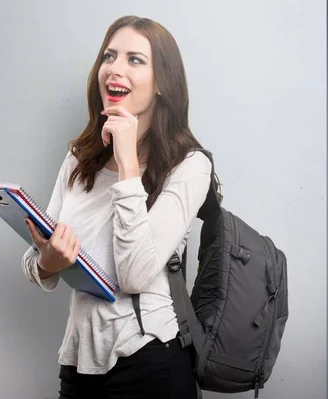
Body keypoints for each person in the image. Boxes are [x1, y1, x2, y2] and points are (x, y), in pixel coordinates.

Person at [21, 15, 212, 399]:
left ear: (162, 83)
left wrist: (127, 165)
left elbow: (135, 275)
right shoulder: (79, 158)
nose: (115, 70)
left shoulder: (189, 166)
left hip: (151, 359)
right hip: (78, 362)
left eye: (135, 60)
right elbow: (37, 264)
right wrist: (47, 263)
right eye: (109, 56)